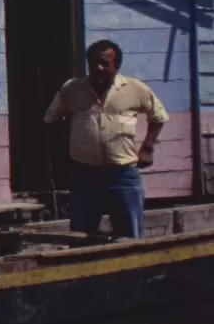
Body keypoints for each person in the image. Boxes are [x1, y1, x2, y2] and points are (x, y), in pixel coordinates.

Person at [43, 38, 166, 240]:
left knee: (129, 237)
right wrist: (71, 144)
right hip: (85, 174)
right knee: (81, 235)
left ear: (116, 66)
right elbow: (51, 119)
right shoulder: (72, 89)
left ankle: (130, 271)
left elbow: (159, 117)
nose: (98, 68)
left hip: (124, 174)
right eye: (93, 63)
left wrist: (147, 148)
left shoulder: (135, 89)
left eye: (104, 63)